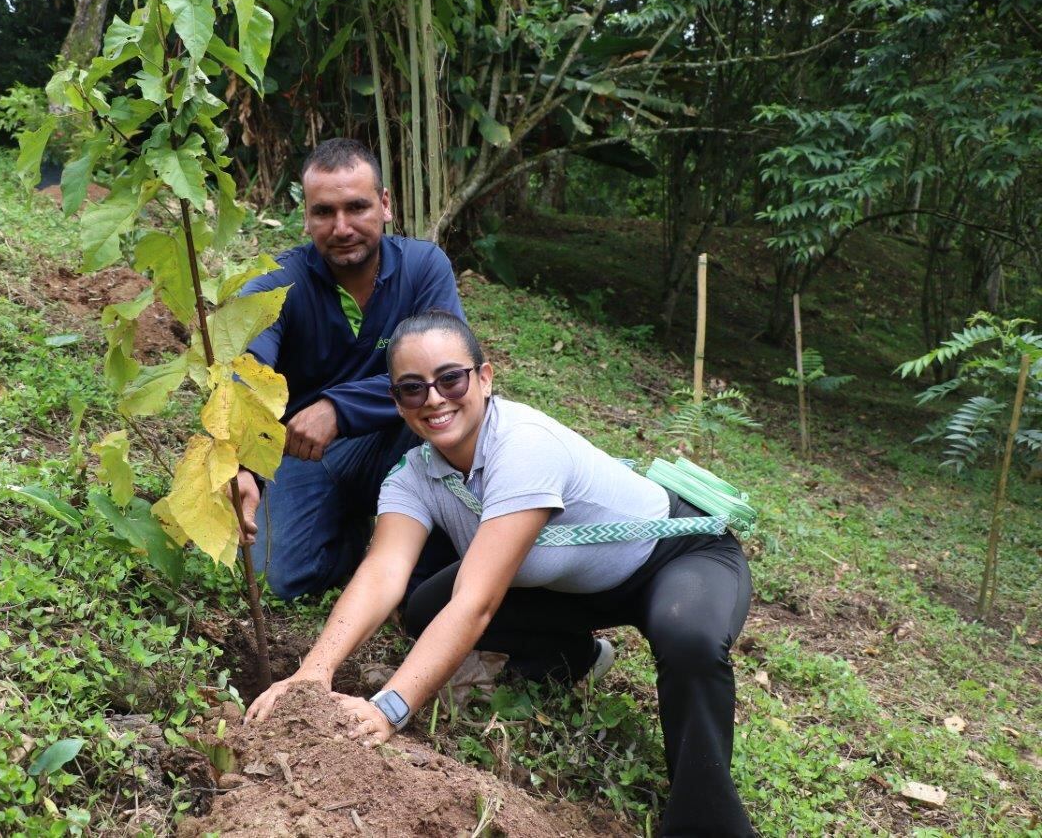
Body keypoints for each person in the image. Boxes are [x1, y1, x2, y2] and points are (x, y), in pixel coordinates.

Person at [246, 310, 755, 837]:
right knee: (424, 607)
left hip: (674, 555)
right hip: (572, 582)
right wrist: (314, 672)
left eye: (451, 378)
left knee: (689, 639)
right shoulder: (414, 475)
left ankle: (710, 823)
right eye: (413, 389)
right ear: (396, 401)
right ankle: (576, 658)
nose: (435, 399)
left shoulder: (523, 446)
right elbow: (383, 572)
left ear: (484, 377)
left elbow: (477, 602)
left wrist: (388, 709)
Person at [235, 139, 462, 601]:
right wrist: (241, 464)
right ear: (307, 218)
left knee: (451, 424)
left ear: (384, 205)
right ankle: (353, 542)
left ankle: (426, 583)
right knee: (280, 580)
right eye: (324, 212)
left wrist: (337, 407)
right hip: (307, 453)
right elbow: (247, 372)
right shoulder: (276, 284)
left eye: (357, 207)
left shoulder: (424, 267)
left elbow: (449, 371)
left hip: (398, 439)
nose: (341, 227)